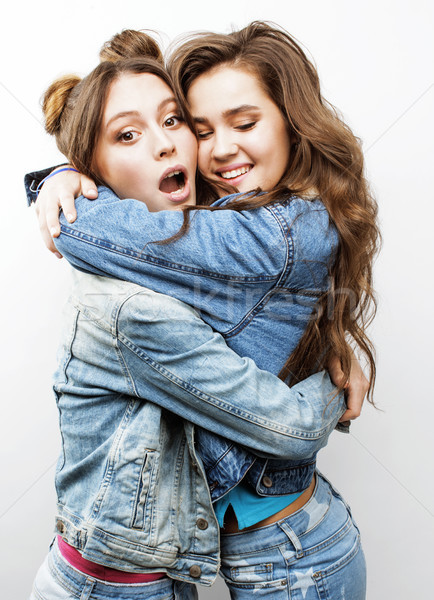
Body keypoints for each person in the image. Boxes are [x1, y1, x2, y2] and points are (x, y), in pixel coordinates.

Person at [27, 22, 378, 599]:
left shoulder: (279, 231)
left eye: (245, 123)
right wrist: (66, 173)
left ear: (294, 124)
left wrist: (61, 185)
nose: (216, 149)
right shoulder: (197, 226)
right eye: (199, 127)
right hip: (192, 566)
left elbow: (98, 228)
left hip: (292, 551)